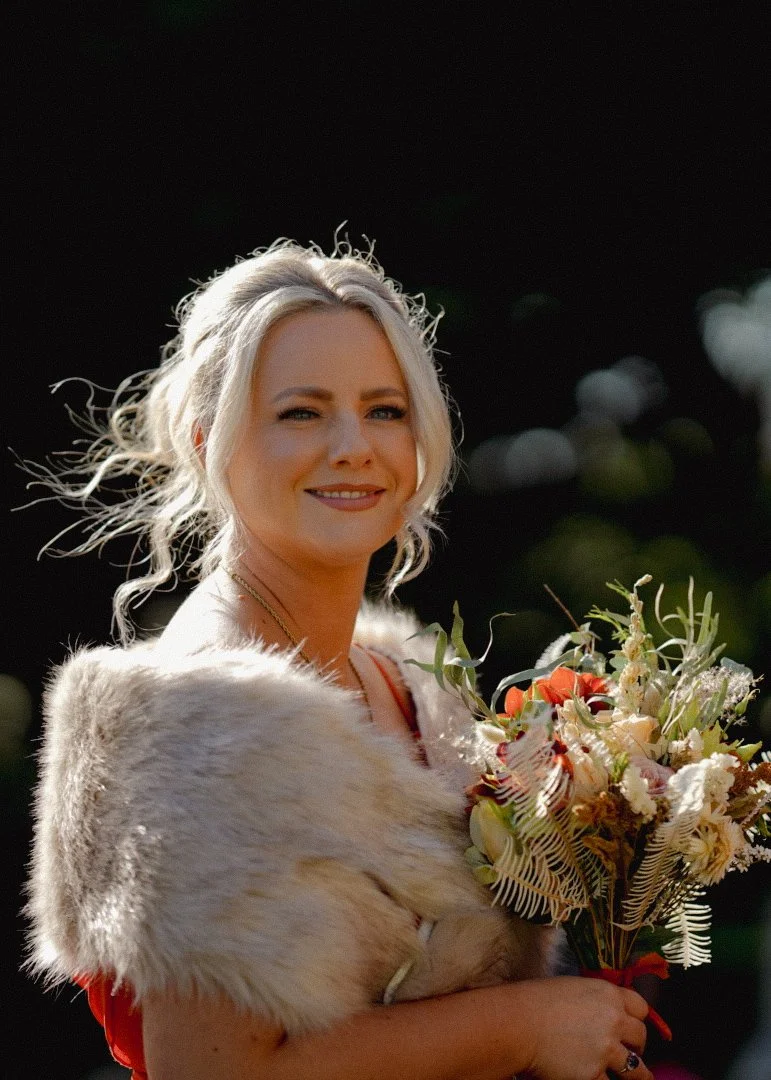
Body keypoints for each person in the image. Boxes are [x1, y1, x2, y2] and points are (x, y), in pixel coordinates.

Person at [25, 239, 653, 1080]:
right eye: (301, 412)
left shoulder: (408, 685)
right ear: (211, 439)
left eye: (384, 410)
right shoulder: (197, 718)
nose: (354, 446)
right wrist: (522, 1027)